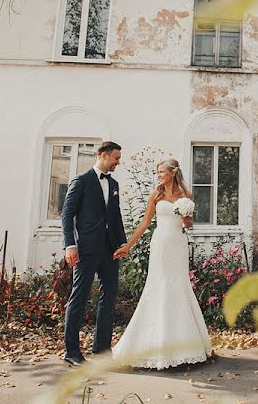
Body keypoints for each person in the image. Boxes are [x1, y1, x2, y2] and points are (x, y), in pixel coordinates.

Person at [112, 158, 213, 369]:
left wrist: (187, 221)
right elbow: (145, 223)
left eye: (162, 172)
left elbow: (189, 225)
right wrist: (127, 246)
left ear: (173, 173)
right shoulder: (156, 195)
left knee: (178, 285)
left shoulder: (186, 196)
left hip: (178, 244)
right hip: (160, 244)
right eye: (157, 172)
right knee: (158, 285)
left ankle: (185, 347)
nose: (159, 175)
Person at [61, 141, 128, 366]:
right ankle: (71, 353)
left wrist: (122, 244)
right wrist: (69, 245)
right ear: (103, 155)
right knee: (79, 298)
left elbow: (116, 217)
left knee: (108, 300)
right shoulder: (81, 181)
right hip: (86, 250)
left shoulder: (114, 184)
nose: (118, 162)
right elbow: (67, 214)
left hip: (110, 251)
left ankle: (102, 350)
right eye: (116, 158)